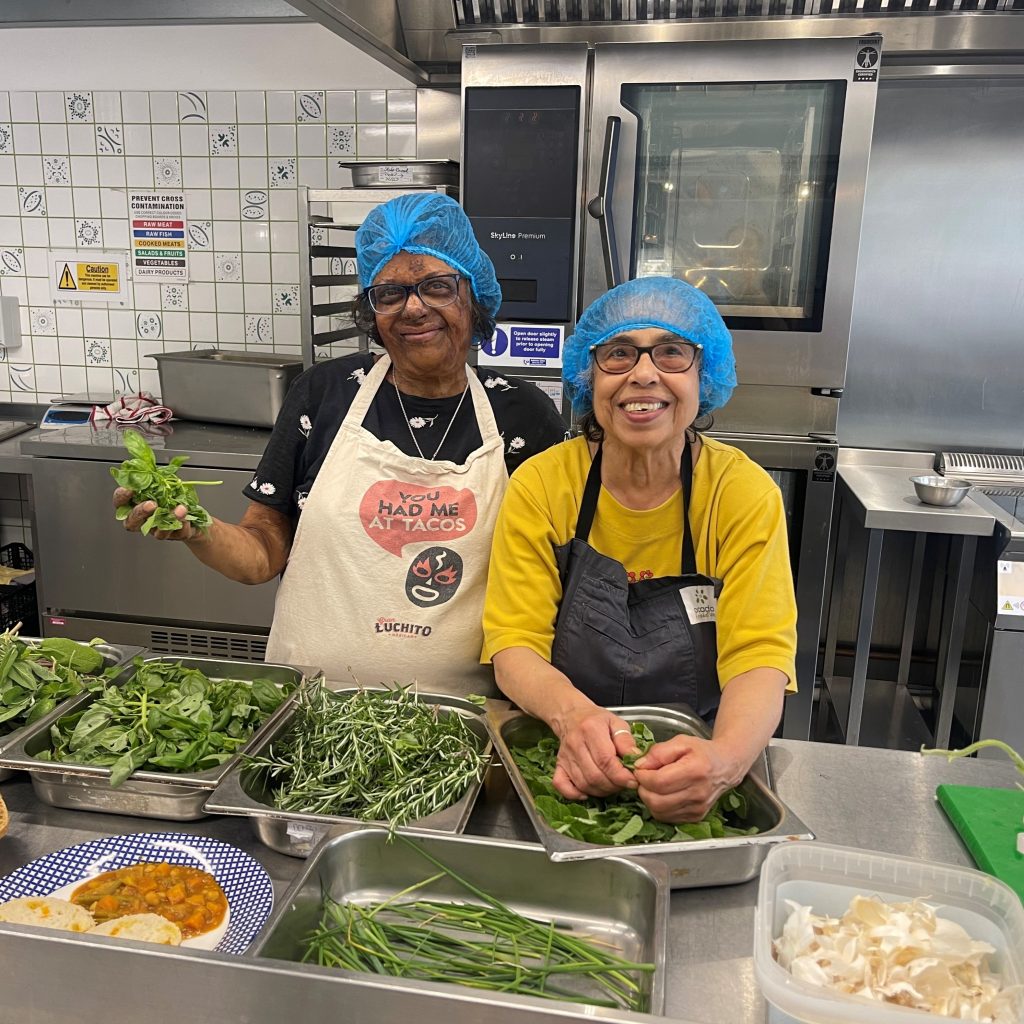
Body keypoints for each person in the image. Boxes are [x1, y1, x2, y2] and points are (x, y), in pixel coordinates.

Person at [114, 193, 567, 695]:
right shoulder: (324, 393)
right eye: (390, 294)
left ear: (473, 296)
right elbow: (263, 552)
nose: (414, 308)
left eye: (438, 286)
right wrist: (196, 529)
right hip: (312, 708)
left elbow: (547, 580)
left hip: (462, 722)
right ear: (372, 313)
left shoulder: (523, 415)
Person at [481, 277, 797, 821]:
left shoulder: (741, 494)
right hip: (566, 761)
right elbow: (514, 644)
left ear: (705, 374)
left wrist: (722, 761)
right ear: (589, 375)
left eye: (672, 352)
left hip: (698, 754)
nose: (644, 373)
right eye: (619, 353)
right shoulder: (543, 486)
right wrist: (576, 721)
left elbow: (760, 656)